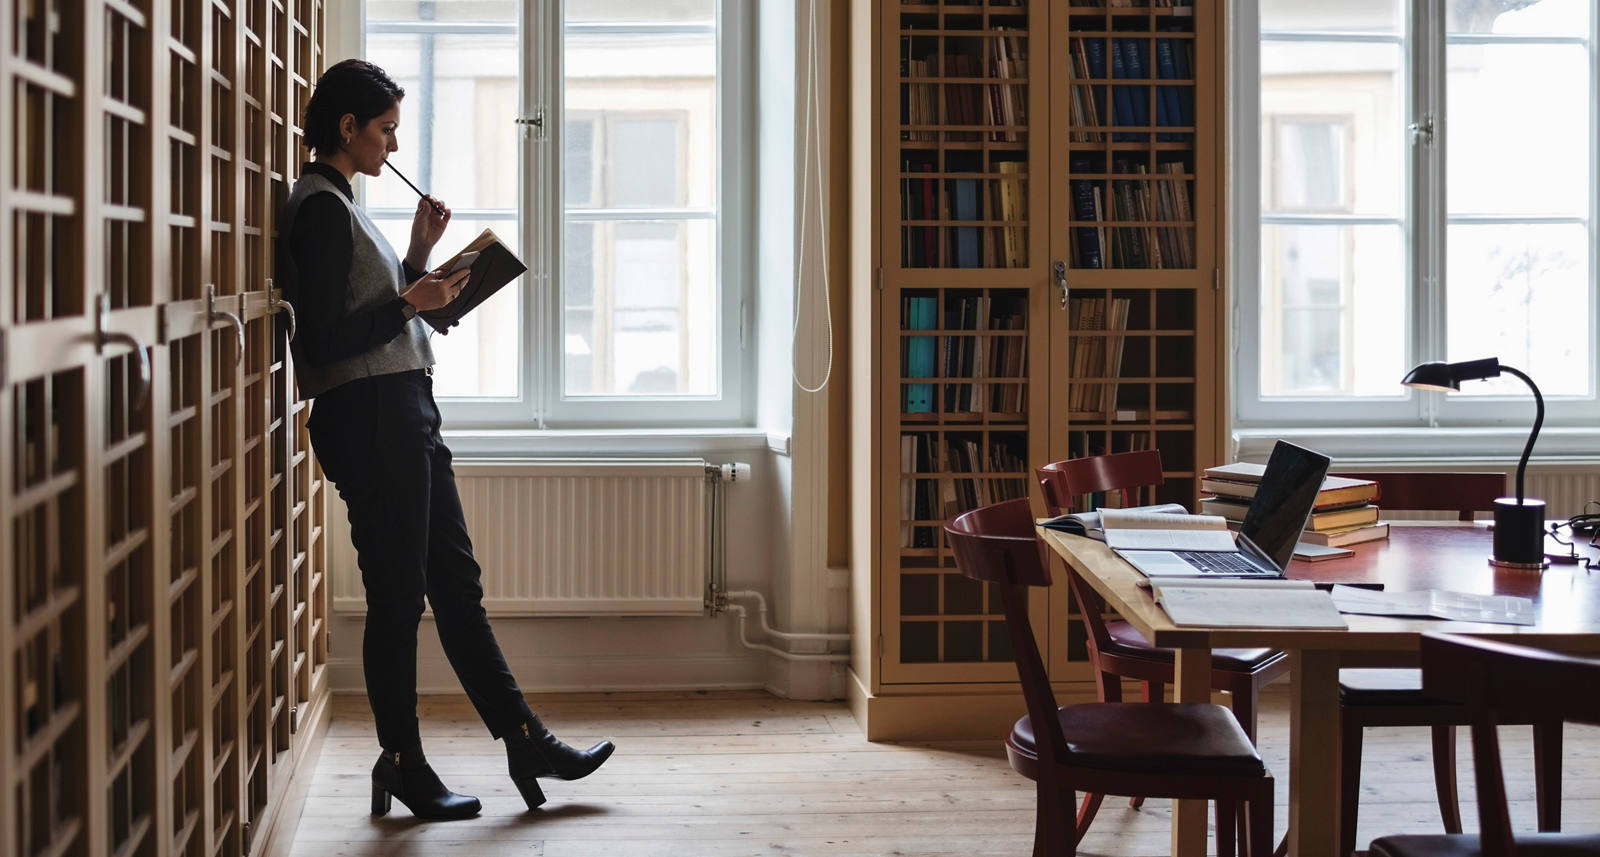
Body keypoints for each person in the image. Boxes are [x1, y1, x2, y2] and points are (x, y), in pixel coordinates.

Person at [276, 58, 613, 821]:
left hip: (405, 412)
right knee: (398, 599)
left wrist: (421, 259)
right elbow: (323, 346)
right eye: (386, 129)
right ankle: (403, 762)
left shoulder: (344, 204)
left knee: (455, 586)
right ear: (347, 127)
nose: (392, 146)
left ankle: (524, 737)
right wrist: (408, 298)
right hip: (371, 419)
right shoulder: (319, 208)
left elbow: (385, 314)